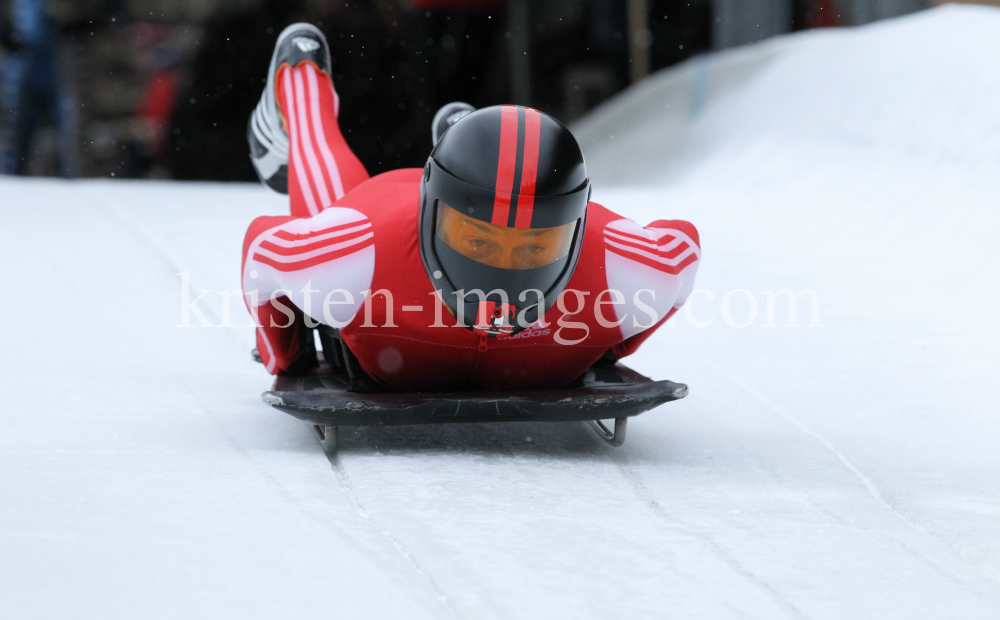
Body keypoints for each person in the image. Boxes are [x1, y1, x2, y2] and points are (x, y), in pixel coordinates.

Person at [242, 23, 700, 392]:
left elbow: (679, 255)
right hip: (386, 215)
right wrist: (606, 347)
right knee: (326, 210)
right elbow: (264, 250)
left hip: (399, 286)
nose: (502, 276)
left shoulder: (626, 267)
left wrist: (289, 351)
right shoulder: (352, 253)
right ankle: (300, 83)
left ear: (574, 231)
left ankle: (463, 133)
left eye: (533, 247)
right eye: (479, 240)